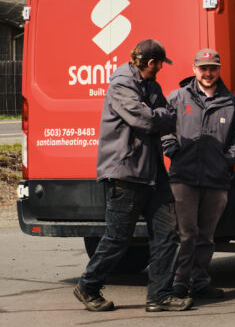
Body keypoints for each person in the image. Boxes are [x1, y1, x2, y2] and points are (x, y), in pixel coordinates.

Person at [73, 38, 192, 313]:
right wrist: (157, 115)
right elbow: (147, 120)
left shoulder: (150, 85)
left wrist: (157, 114)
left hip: (152, 174)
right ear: (151, 63)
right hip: (125, 173)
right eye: (160, 64)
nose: (161, 69)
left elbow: (167, 115)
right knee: (118, 238)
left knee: (167, 233)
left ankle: (160, 296)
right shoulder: (121, 86)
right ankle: (88, 286)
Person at [162, 48, 235, 300]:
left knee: (206, 236)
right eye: (203, 68)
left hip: (216, 178)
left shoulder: (232, 102)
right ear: (194, 70)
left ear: (219, 70)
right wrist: (171, 149)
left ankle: (199, 282)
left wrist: (229, 159)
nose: (208, 73)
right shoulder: (178, 98)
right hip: (183, 177)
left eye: (212, 68)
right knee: (185, 234)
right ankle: (178, 284)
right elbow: (164, 127)